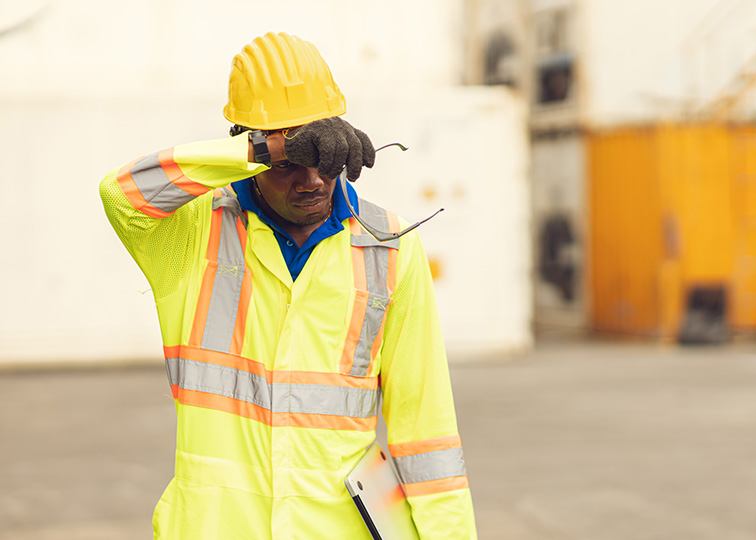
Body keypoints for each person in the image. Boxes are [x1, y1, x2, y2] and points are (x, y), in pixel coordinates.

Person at [100, 31, 477, 539]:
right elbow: (121, 194)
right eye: (288, 163)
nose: (312, 180)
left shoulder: (390, 247)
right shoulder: (193, 233)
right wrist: (265, 147)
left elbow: (426, 432)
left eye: (321, 155)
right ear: (247, 148)